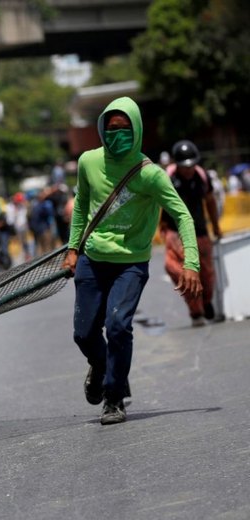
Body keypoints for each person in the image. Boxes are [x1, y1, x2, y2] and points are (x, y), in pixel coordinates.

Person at [61, 97, 202, 426]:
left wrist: (191, 263)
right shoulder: (88, 162)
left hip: (131, 263)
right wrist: (72, 249)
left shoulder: (150, 175)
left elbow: (182, 215)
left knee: (119, 326)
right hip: (92, 258)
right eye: (111, 130)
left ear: (136, 130)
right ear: (101, 131)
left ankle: (113, 397)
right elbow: (81, 206)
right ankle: (100, 366)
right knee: (84, 334)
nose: (117, 135)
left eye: (125, 129)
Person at [160, 140, 222, 326]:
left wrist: (216, 227)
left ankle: (206, 300)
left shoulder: (202, 177)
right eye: (184, 166)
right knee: (174, 268)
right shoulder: (167, 178)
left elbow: (210, 201)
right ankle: (195, 311)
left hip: (199, 231)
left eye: (191, 166)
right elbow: (156, 204)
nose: (188, 170)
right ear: (176, 164)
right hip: (175, 232)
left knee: (206, 274)